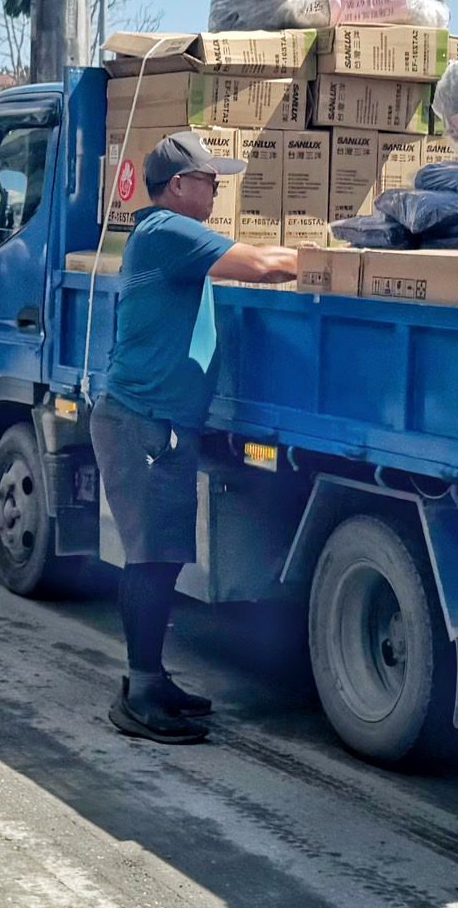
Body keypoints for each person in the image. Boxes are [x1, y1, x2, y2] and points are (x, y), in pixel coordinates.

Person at [91, 131, 297, 745]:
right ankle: (140, 691)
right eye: (210, 181)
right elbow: (260, 266)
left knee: (165, 555)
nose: (217, 191)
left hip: (156, 422)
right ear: (179, 185)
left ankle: (150, 680)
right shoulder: (165, 231)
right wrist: (345, 259)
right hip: (142, 421)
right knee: (152, 559)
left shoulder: (167, 237)